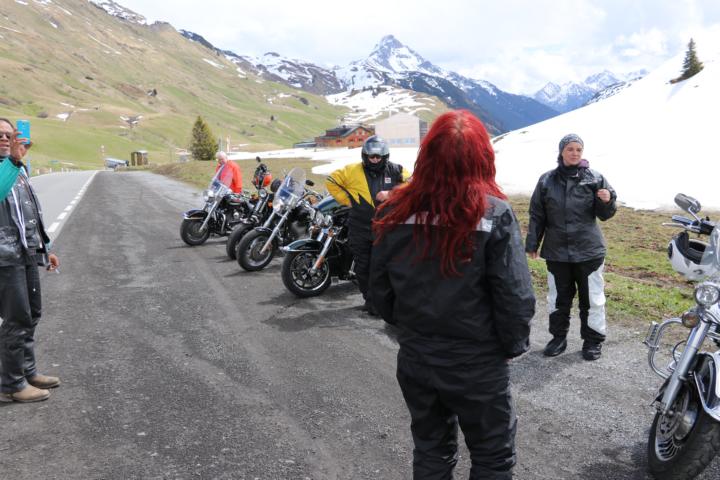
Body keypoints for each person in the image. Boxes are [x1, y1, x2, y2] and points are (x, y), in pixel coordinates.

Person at [370, 110, 535, 479]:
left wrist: (411, 330)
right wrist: (511, 346)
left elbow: (379, 290)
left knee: (431, 449)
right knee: (492, 456)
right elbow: (515, 296)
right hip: (477, 363)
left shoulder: (394, 210)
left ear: (427, 155)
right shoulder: (494, 214)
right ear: (482, 158)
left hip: (417, 358)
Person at [525, 133, 617, 361]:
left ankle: (593, 341)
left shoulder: (595, 178)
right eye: (570, 149)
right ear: (562, 152)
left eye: (578, 149)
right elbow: (537, 214)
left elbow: (605, 215)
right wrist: (533, 243)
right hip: (557, 252)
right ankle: (558, 338)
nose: (575, 153)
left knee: (592, 299)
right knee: (558, 298)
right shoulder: (546, 180)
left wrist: (607, 200)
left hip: (589, 251)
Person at [0, 118, 60, 403]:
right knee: (16, 318)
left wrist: (44, 247)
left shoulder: (17, 169)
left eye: (8, 134)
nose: (5, 138)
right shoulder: (11, 167)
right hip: (4, 258)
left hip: (25, 253)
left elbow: (30, 211)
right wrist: (13, 160)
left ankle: (27, 372)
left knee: (32, 314)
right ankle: (12, 384)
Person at [326, 135, 407, 315]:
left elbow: (413, 185)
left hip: (385, 227)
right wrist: (348, 200)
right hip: (359, 227)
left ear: (385, 156)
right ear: (365, 155)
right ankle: (371, 303)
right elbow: (331, 181)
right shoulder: (351, 170)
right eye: (372, 156)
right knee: (362, 267)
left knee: (383, 267)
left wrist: (392, 195)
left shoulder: (397, 170)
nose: (375, 159)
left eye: (378, 156)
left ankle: (385, 303)